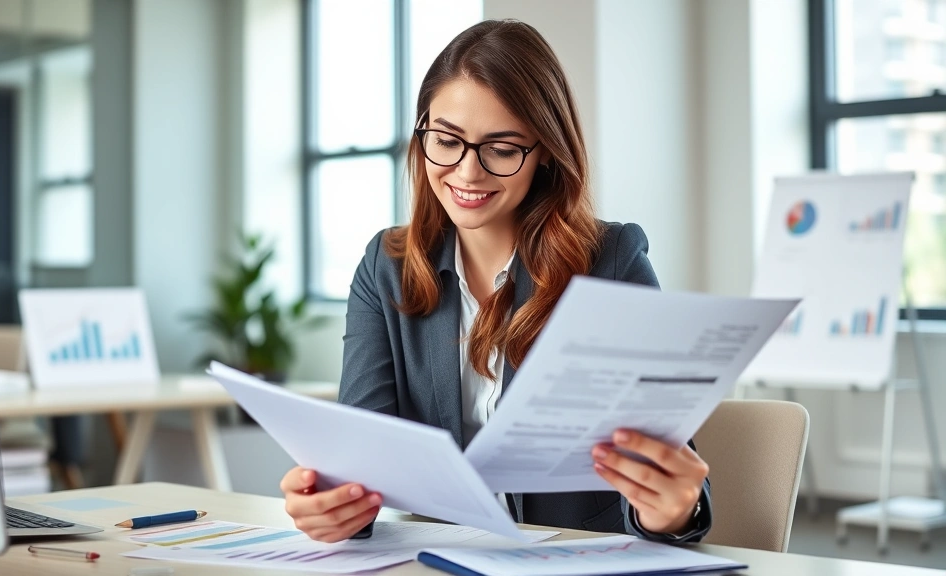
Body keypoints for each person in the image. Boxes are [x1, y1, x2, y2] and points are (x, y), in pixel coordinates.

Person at [280, 19, 712, 544]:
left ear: (547, 149)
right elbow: (362, 464)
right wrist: (336, 505)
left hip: (577, 561)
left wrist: (669, 512)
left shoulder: (611, 262)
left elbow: (667, 470)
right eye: (446, 140)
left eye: (502, 149)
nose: (467, 172)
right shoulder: (385, 266)